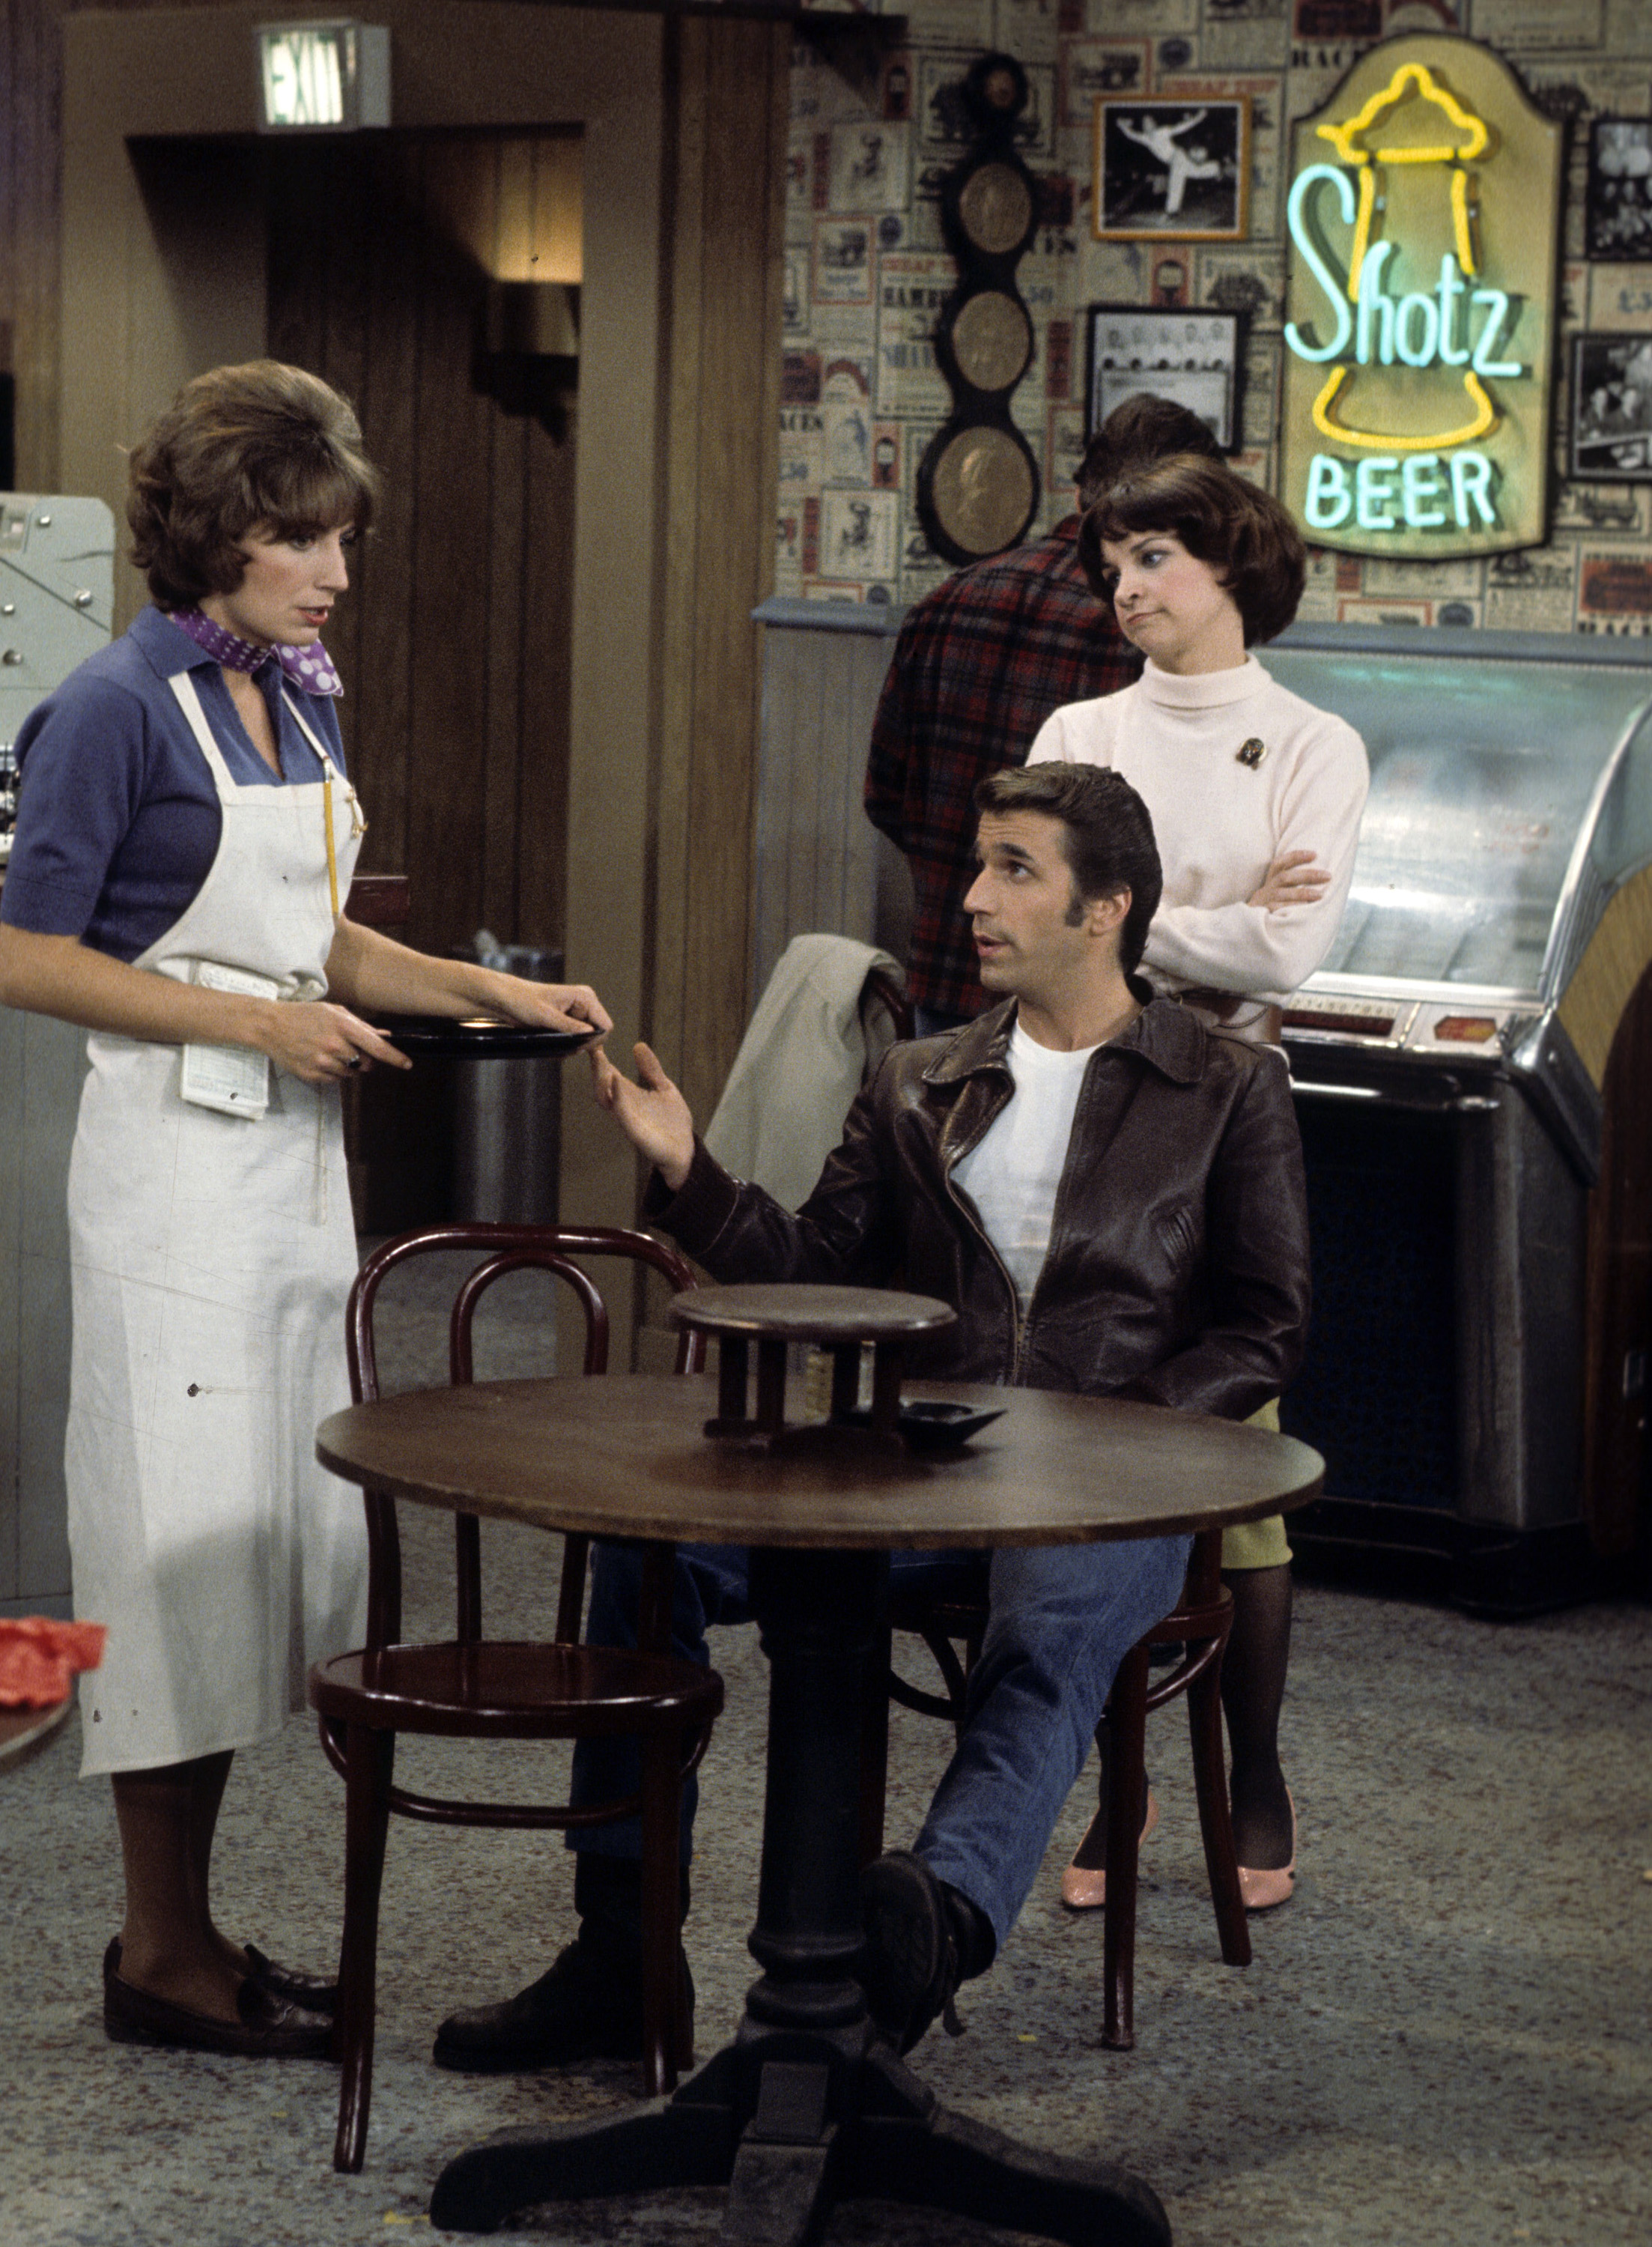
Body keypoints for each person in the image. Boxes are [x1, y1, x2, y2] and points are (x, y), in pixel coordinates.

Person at [433, 760, 1310, 2069]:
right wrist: (689, 1173)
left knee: (1049, 1632)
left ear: (1106, 907)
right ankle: (620, 1949)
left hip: (1116, 1490)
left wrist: (1129, 1440)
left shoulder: (1227, 1085)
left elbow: (1266, 1321)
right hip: (920, 1475)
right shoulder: (917, 1079)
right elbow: (807, 1270)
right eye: (977, 865)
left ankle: (929, 1930)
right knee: (648, 1554)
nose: (973, 899)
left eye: (1016, 869)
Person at [0, 361, 610, 2058]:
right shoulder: (116, 704)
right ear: (216, 535)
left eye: (341, 536)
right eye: (301, 537)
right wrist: (252, 1022)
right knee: (174, 1554)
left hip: (290, 1189)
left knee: (277, 1554)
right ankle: (158, 1953)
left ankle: (186, 1934)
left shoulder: (302, 696)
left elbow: (327, 940)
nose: (335, 570)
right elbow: (24, 950)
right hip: (173, 1187)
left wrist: (493, 997)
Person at [1029, 449, 1369, 1912]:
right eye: (1111, 562)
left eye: (1152, 558)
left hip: (1230, 1118)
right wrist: (1197, 913)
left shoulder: (1310, 743)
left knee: (1236, 1462)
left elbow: (1289, 959)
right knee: (1089, 1451)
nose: (1123, 587)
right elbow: (1042, 926)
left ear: (1227, 563)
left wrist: (1121, 919)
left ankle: (1256, 1775)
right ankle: (1118, 1785)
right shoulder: (1076, 726)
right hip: (1084, 1109)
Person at [863, 395, 1221, 1034]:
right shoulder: (1156, 633)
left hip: (948, 981)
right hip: (1086, 1004)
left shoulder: (946, 603)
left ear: (1082, 486)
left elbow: (886, 799)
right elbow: (1169, 842)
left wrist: (975, 874)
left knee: (949, 1137)